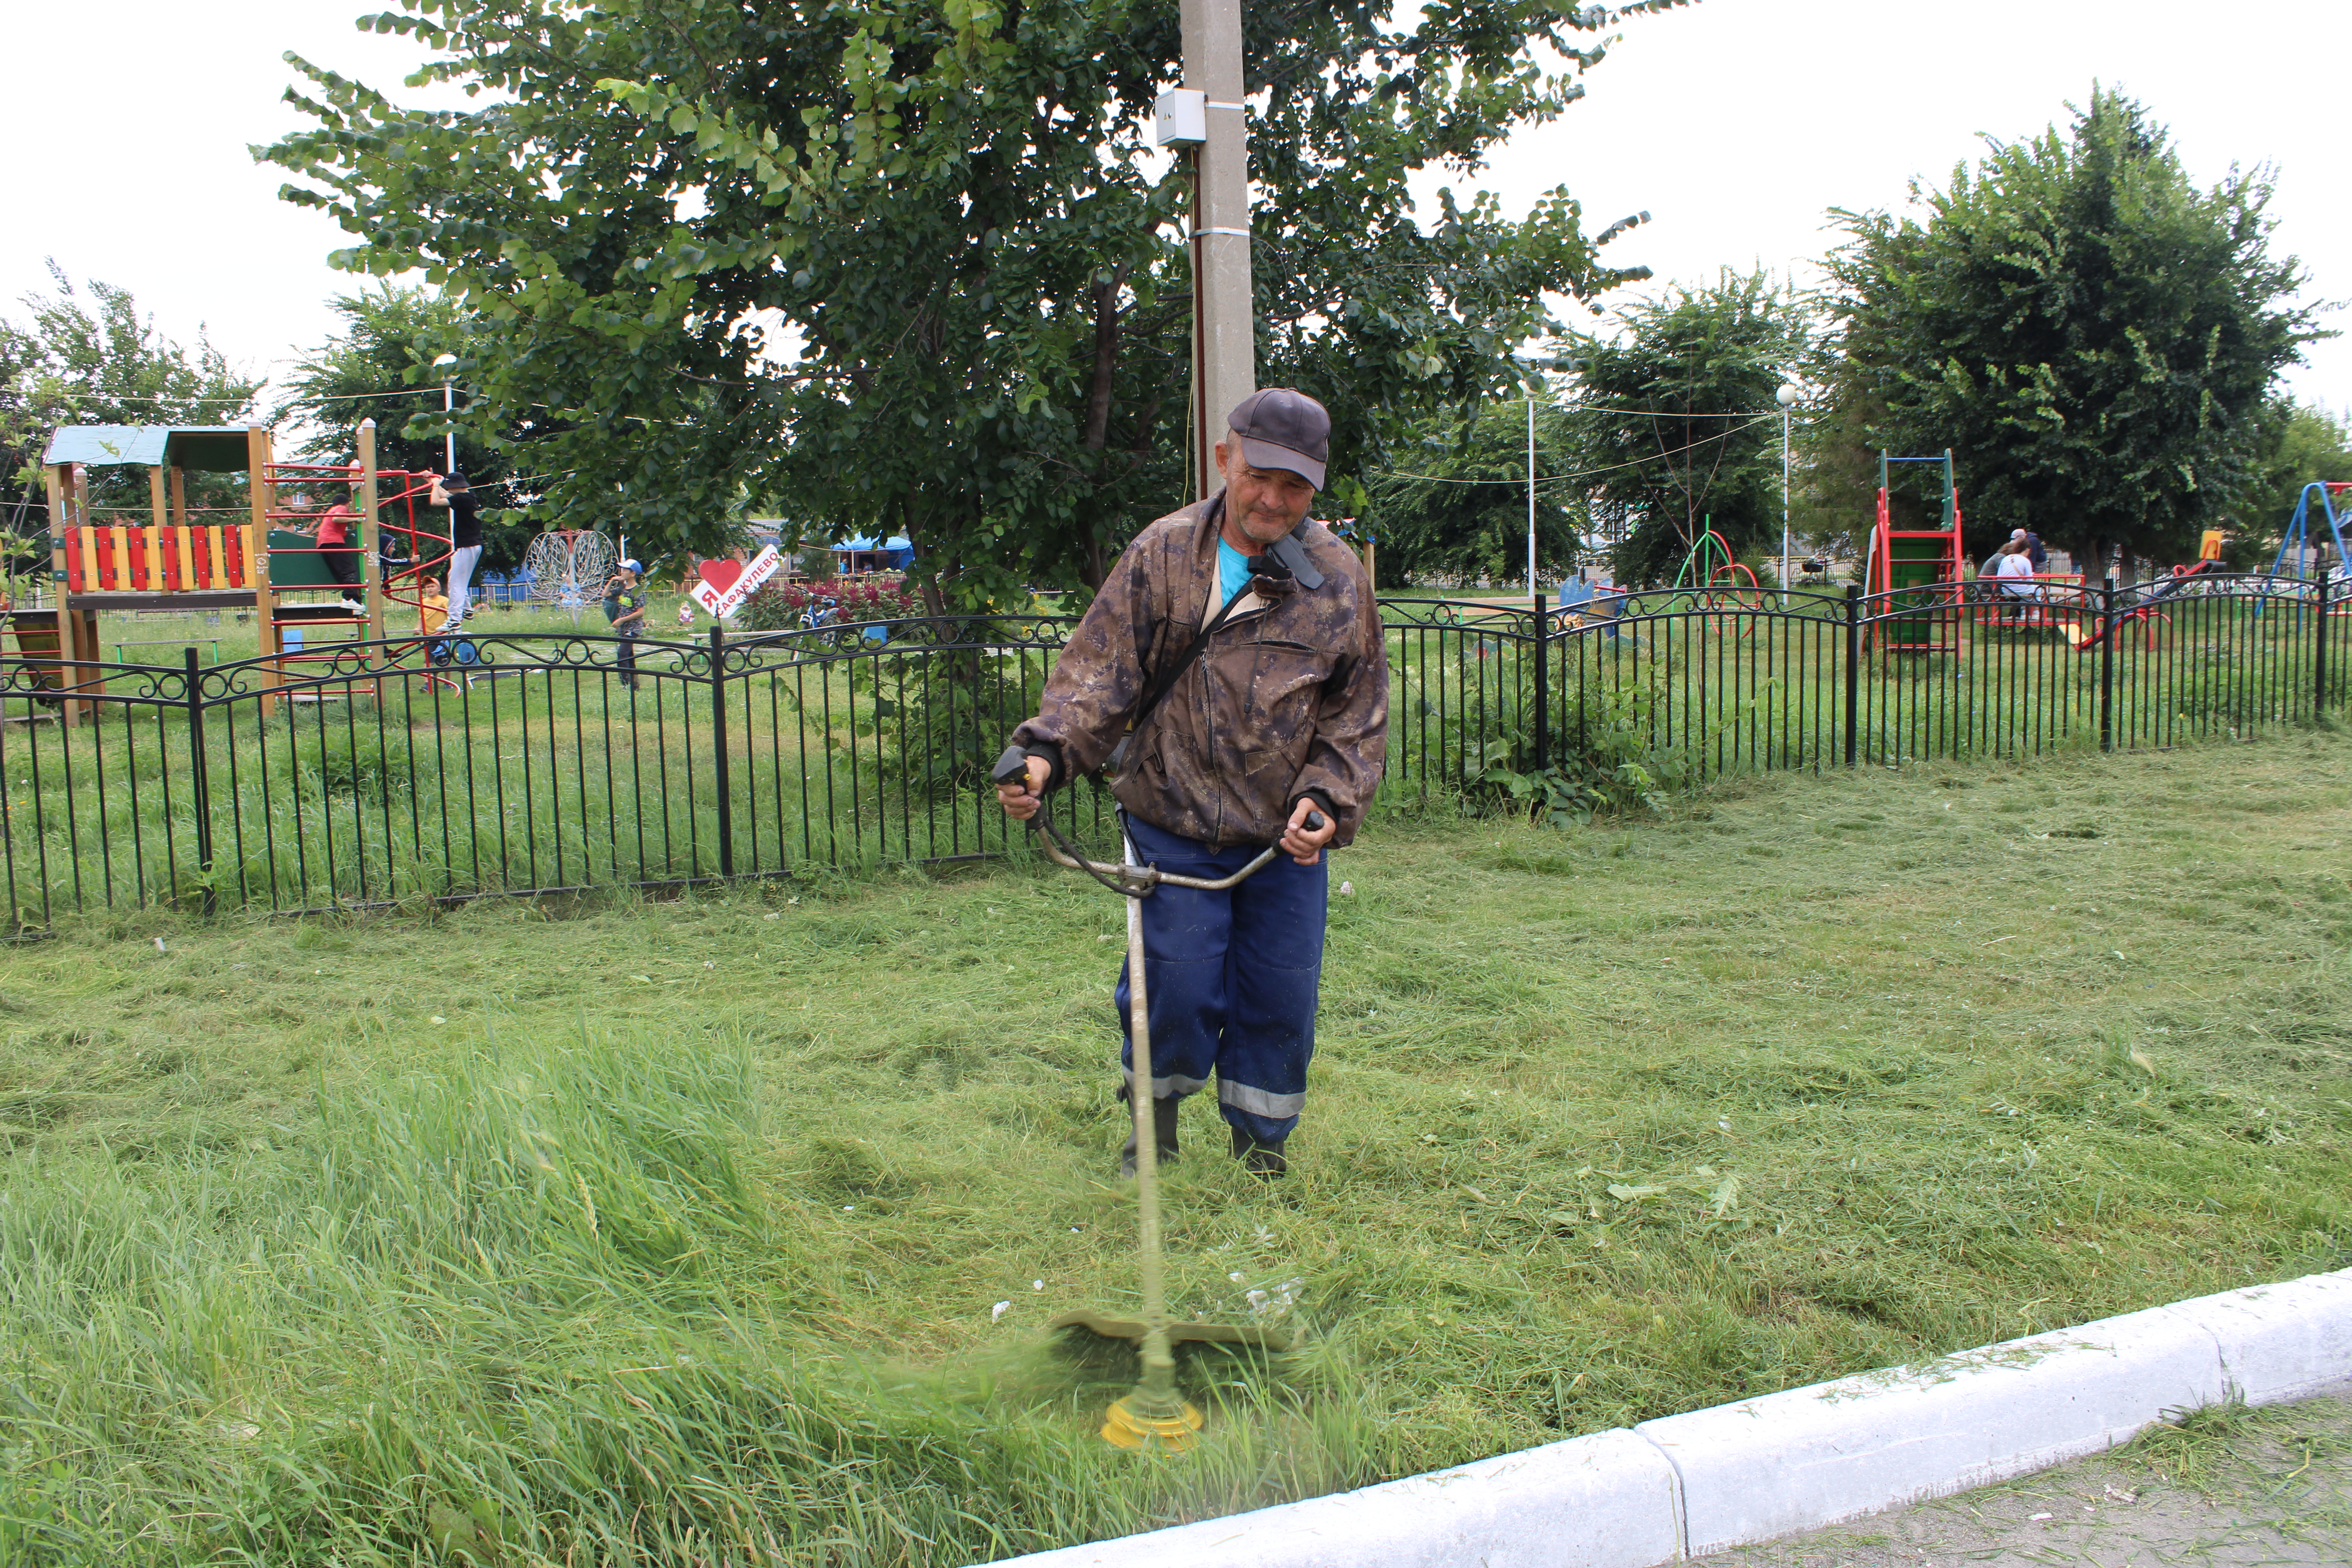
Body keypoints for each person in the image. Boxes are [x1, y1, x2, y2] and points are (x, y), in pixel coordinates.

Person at [995, 388, 1388, 1180]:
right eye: (1258, 476)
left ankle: (1260, 1152)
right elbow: (1097, 679)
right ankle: (1155, 1130)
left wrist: (1328, 800)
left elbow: (1356, 711)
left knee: (1278, 1002)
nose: (1273, 499)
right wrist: (1041, 755)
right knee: (1173, 991)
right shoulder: (1164, 553)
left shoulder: (1338, 580)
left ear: (1316, 487)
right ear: (1224, 460)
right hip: (1170, 824)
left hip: (1283, 846)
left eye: (1296, 486)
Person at [428, 472, 484, 632]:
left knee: (456, 584)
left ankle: (454, 620)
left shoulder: (461, 499)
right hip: (472, 545)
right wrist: (434, 482)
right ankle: (467, 609)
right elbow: (445, 495)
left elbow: (435, 501)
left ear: (455, 486)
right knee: (456, 578)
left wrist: (435, 485)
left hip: (467, 546)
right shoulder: (468, 497)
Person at [603, 559, 648, 690]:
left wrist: (621, 620)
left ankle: (626, 684)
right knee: (629, 655)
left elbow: (641, 613)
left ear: (633, 573)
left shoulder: (638, 591)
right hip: (623, 628)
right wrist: (613, 580)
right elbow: (605, 594)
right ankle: (635, 686)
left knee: (622, 653)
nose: (622, 572)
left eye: (625, 570)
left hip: (633, 628)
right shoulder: (622, 589)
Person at [314, 502, 364, 611]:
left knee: (341, 574)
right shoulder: (341, 508)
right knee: (349, 571)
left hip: (322, 543)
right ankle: (348, 599)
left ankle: (355, 601)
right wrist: (355, 519)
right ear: (347, 503)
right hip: (334, 542)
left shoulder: (330, 511)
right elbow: (337, 519)